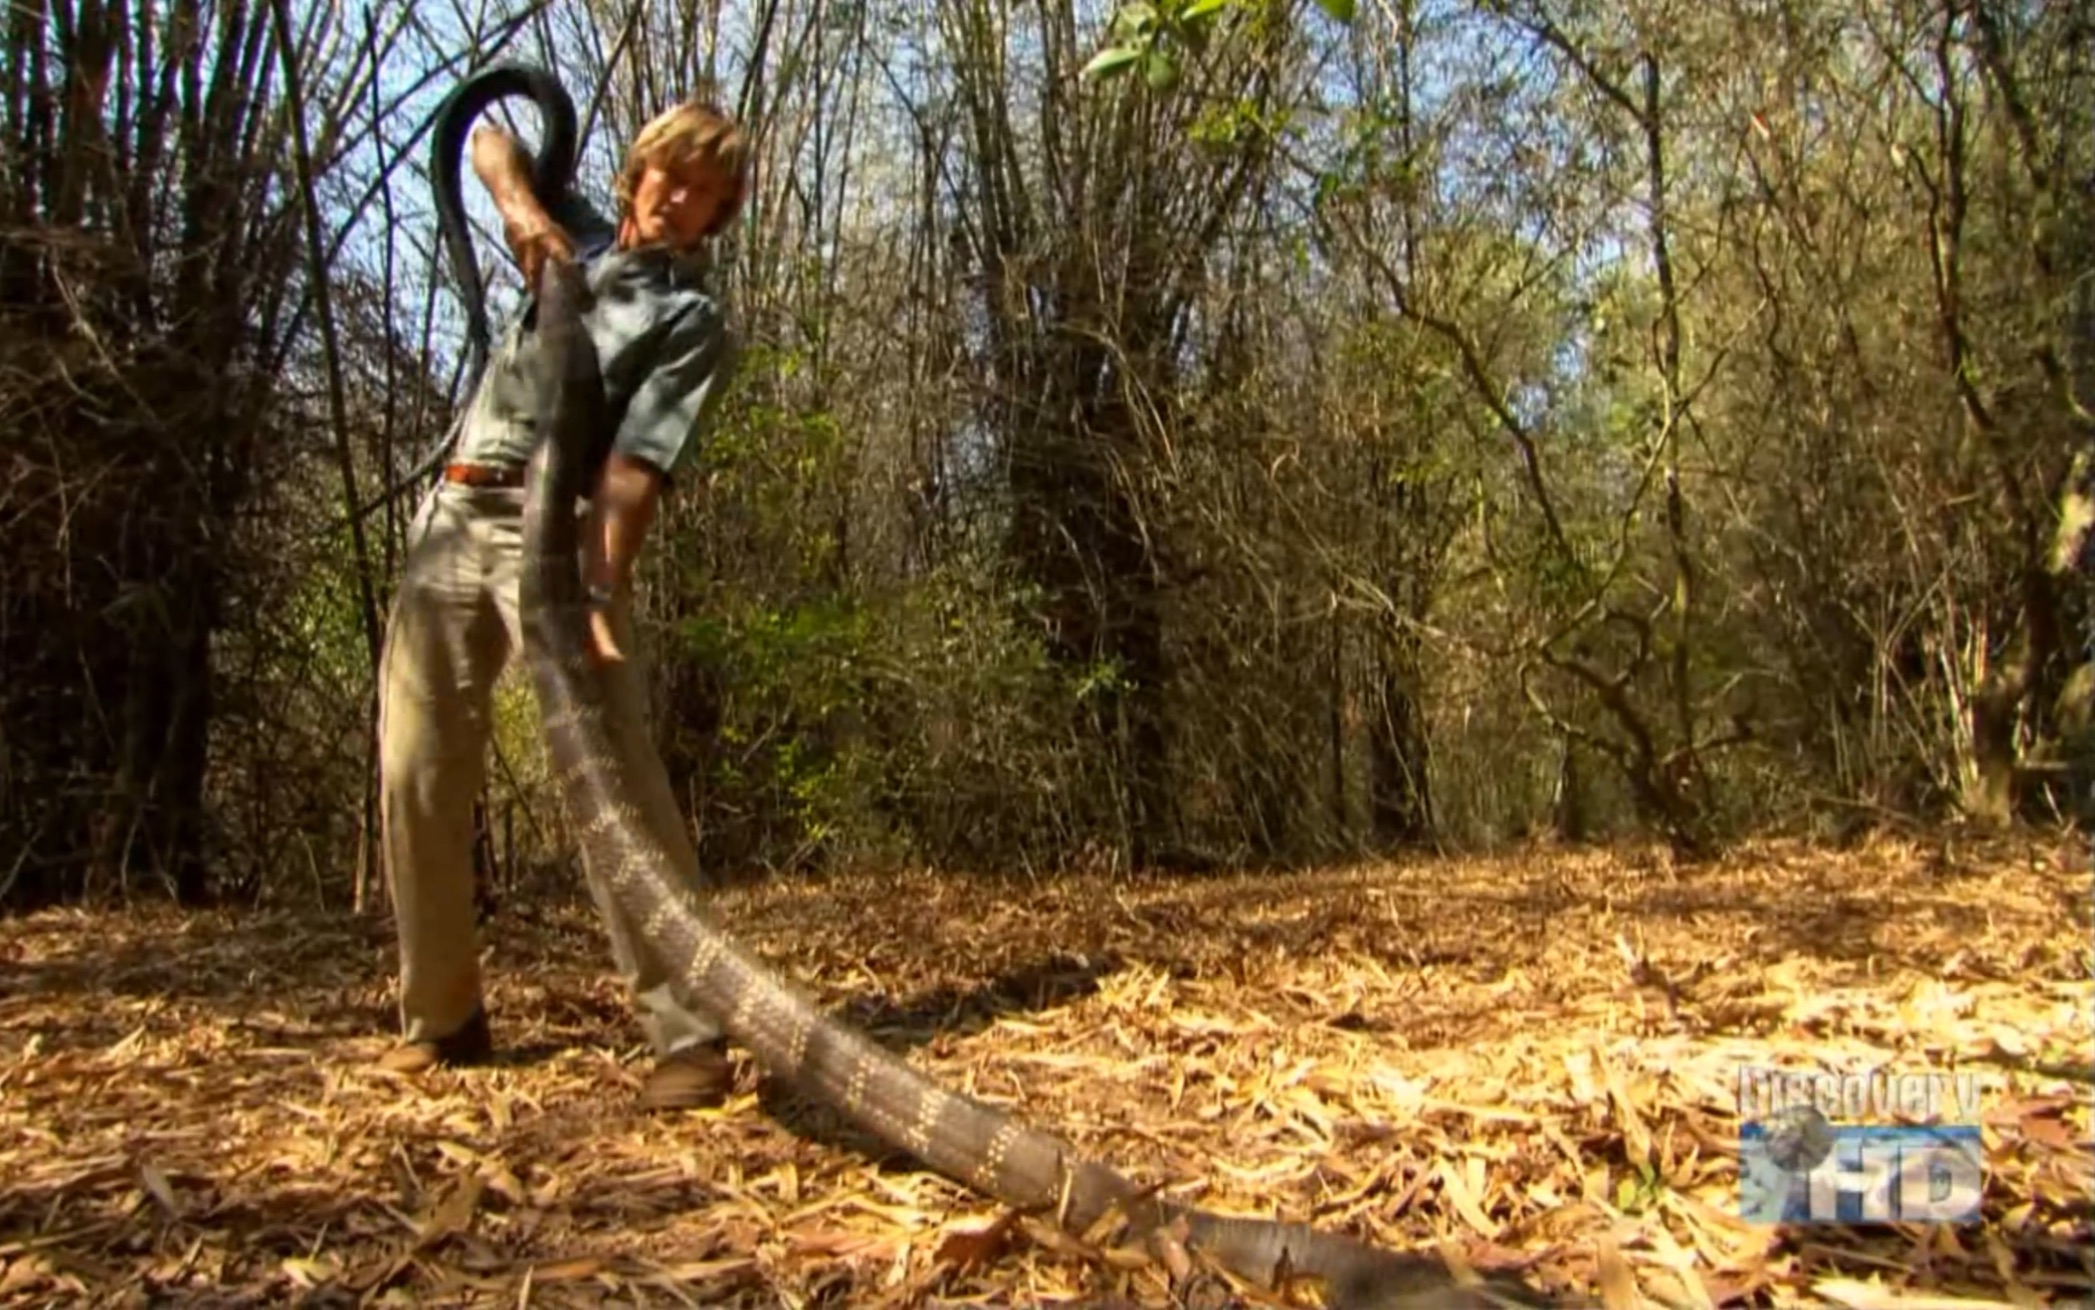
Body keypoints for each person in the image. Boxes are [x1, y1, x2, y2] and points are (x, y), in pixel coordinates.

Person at [371, 99, 749, 1111]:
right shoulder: (576, 232)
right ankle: (442, 1018)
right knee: (415, 771)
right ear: (639, 172)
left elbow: (633, 472)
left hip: (550, 536)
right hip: (451, 512)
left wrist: (595, 588)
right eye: (675, 177)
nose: (684, 203)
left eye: (709, 196)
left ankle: (689, 1031)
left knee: (611, 779)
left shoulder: (689, 320)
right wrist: (520, 213)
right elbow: (488, 138)